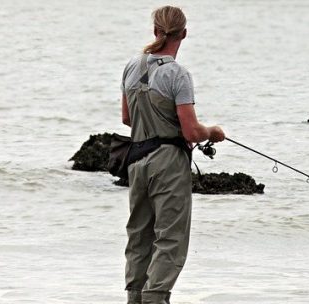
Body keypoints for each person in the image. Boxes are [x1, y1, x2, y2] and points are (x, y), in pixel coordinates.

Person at [120, 6, 225, 304]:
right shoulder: (178, 75)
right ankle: (156, 298)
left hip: (137, 161)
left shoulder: (131, 66)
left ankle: (135, 298)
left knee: (139, 236)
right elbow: (192, 132)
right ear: (184, 34)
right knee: (170, 238)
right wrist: (213, 132)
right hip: (168, 164)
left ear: (155, 30)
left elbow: (127, 119)